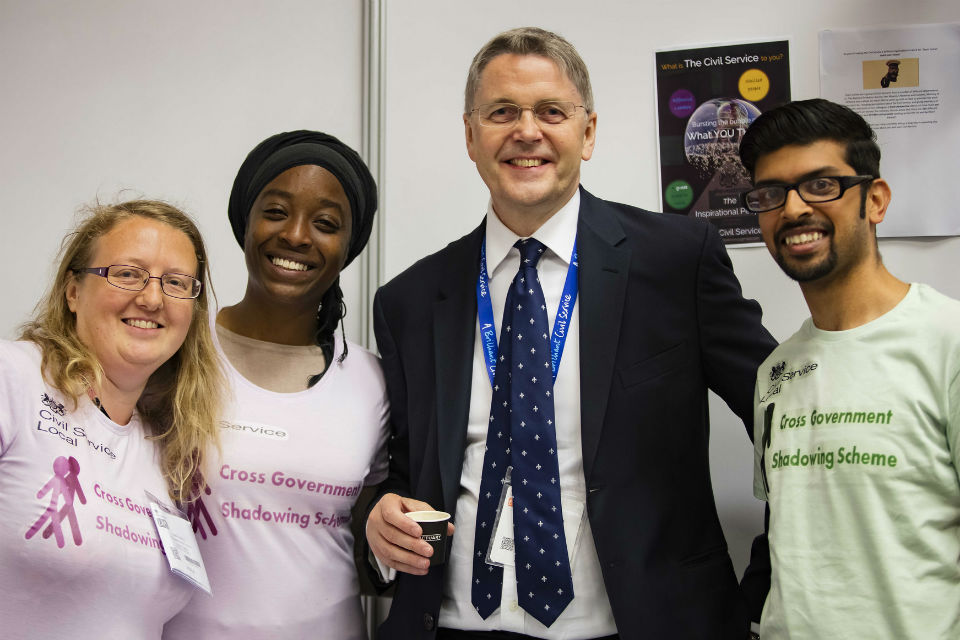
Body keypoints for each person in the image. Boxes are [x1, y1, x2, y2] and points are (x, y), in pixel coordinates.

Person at [365, 27, 776, 640]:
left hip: (639, 625)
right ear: (471, 136)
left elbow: (787, 422)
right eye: (501, 111)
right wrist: (383, 513)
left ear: (587, 133)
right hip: (449, 626)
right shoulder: (411, 299)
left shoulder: (676, 262)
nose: (526, 131)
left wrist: (770, 582)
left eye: (551, 112)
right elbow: (402, 467)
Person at [738, 98, 960, 639]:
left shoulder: (947, 342)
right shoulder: (774, 373)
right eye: (771, 193)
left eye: (821, 185)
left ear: (875, 199)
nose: (792, 210)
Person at [163, 130, 389, 639]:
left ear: (347, 247)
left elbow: (368, 538)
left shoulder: (370, 382)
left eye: (326, 223)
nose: (296, 236)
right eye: (276, 211)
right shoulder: (176, 354)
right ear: (246, 221)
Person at [0, 200, 223, 638]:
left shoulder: (165, 448)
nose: (153, 298)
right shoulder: (14, 379)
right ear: (73, 291)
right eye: (127, 274)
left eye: (177, 283)